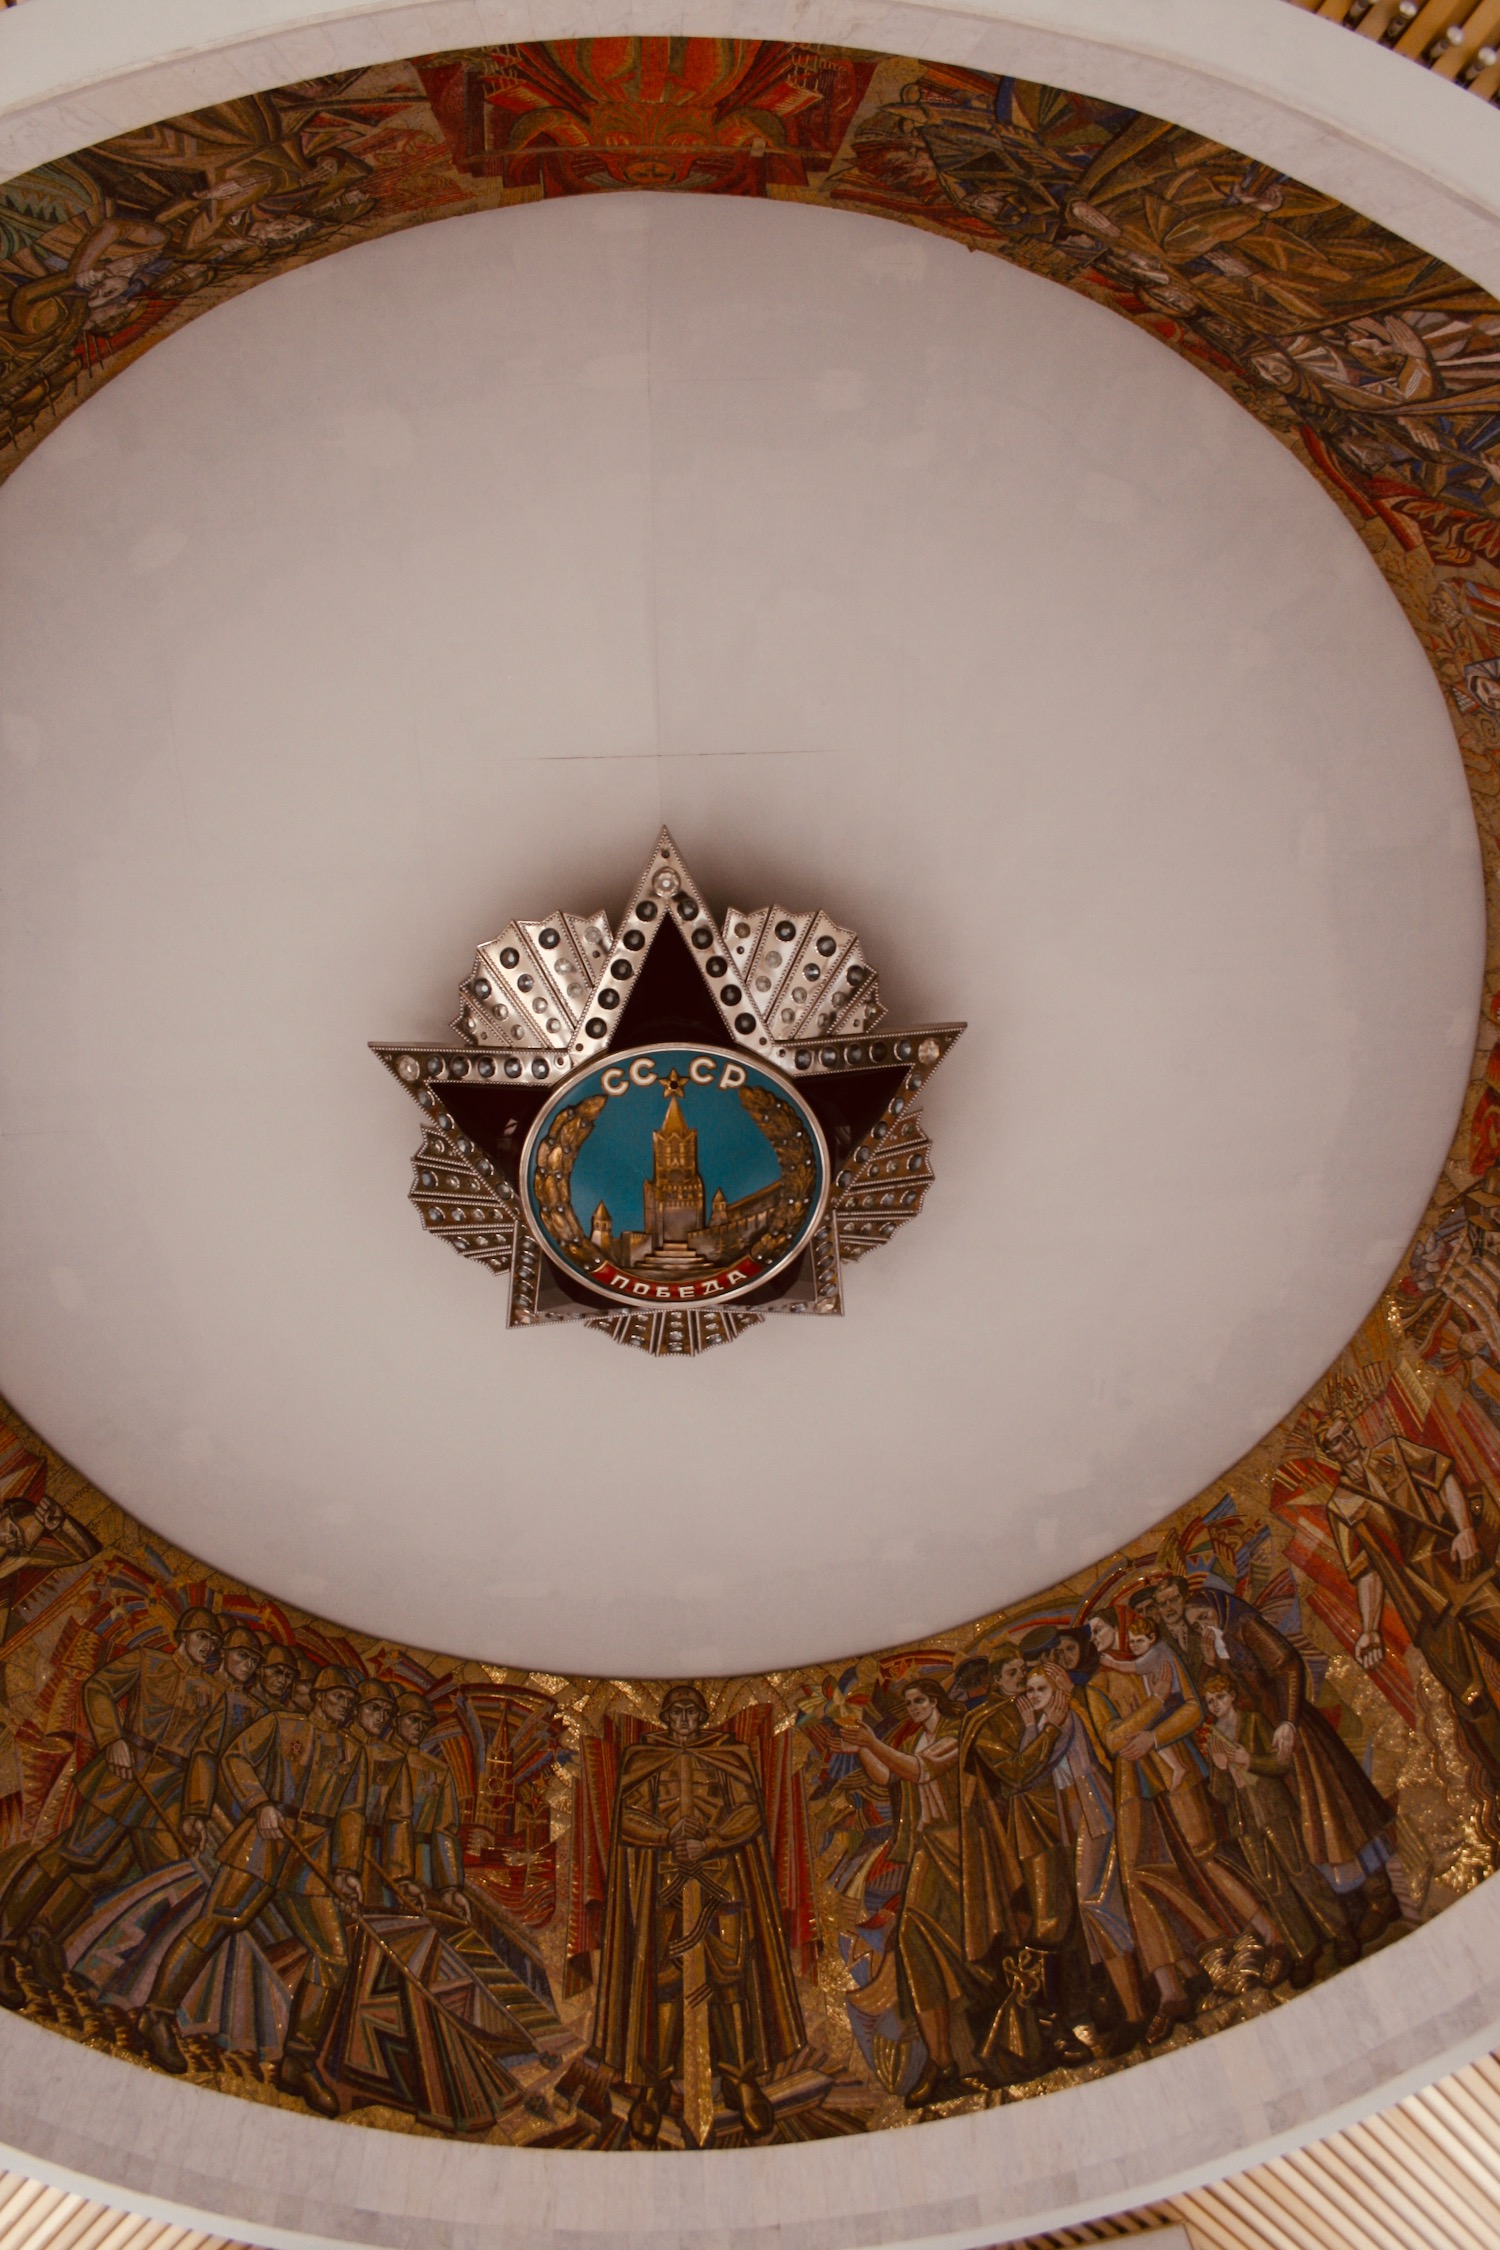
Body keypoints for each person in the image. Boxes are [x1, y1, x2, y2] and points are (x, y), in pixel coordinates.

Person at [135, 1664, 367, 2114]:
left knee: (335, 1954)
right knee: (218, 1921)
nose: (345, 1708)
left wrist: (347, 1868)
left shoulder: (352, 1751)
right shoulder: (281, 1724)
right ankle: (156, 2014)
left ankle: (298, 2062)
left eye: (350, 1703)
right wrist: (259, 1803)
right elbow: (235, 1757)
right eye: (338, 1698)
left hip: (312, 1855)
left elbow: (352, 1810)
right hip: (264, 1840)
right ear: (318, 1696)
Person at [590, 1684, 804, 2146]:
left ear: (704, 1715)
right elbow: (626, 1818)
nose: (685, 1718)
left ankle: (741, 2079)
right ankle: (655, 2084)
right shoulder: (644, 1759)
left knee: (730, 1977)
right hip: (664, 1883)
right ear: (665, 1717)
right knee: (664, 1983)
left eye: (692, 1711)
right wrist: (667, 1834)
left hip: (720, 1880)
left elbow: (749, 1812)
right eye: (676, 1711)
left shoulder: (726, 1754)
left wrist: (711, 1841)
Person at [1084, 1607, 1292, 2040]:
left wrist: (1154, 1737)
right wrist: (1156, 1706)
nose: (1094, 1637)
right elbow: (1112, 1739)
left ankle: (1272, 1935)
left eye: (1099, 1628)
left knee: (1206, 1852)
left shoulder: (1161, 1659)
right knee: (1136, 1877)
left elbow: (1196, 1709)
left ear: (1122, 1626)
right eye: (1090, 1632)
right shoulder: (1097, 1684)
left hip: (1178, 1766)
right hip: (1132, 1786)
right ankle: (1170, 1990)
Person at [0, 1607, 227, 2004]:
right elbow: (97, 1689)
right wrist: (112, 1739)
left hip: (166, 1792)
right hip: (124, 1776)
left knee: (122, 1872)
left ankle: (43, 1936)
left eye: (213, 1642)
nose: (207, 1646)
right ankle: (4, 1942)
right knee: (71, 1854)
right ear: (183, 1635)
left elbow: (205, 1755)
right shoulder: (147, 1661)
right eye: (201, 1637)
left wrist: (195, 1811)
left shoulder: (213, 1694)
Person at [1182, 1585, 1397, 1941]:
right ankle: (1352, 1907)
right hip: (1261, 1737)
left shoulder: (1247, 1627)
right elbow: (1220, 1694)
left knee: (1335, 1810)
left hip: (1289, 1728)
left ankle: (1380, 1895)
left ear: (1218, 1609)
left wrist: (1287, 1720)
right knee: (1307, 1823)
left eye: (1204, 1617)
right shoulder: (1216, 1646)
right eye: (1195, 1625)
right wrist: (1209, 1663)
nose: (1202, 1628)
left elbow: (1288, 1665)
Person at [1315, 1414, 1500, 1792]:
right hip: (1422, 1605)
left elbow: (1443, 1475)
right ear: (1328, 1452)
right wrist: (1369, 1629)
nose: (1346, 1442)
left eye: (1347, 1432)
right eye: (1335, 1441)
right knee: (1471, 1697)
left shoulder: (1392, 1452)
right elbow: (1364, 1570)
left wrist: (1464, 1528)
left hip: (1453, 1567)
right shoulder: (1342, 1505)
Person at [843, 1676, 973, 2106]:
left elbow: (920, 1771)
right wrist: (861, 1745)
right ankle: (941, 2059)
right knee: (914, 1943)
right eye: (910, 1702)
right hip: (926, 1850)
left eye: (920, 1699)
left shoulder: (956, 1734)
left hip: (963, 1847)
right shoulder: (915, 1741)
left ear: (935, 1699)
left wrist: (873, 1743)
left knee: (967, 1941)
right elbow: (887, 1776)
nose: (914, 1707)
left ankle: (972, 2047)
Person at [1022, 1661, 1146, 2041]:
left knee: (1098, 1904)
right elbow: (1030, 1771)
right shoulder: (1050, 1724)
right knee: (1093, 1908)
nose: (1034, 1697)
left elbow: (1033, 1763)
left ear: (1059, 1689)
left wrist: (1035, 1726)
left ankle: (1136, 2009)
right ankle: (1130, 2005)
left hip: (1091, 1805)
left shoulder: (1066, 1721)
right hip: (1073, 1809)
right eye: (1030, 1691)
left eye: (1041, 1689)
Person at [1201, 1672, 1355, 1977]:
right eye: (1210, 1701)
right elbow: (1220, 1795)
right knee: (1273, 1886)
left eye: (1220, 1697)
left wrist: (1250, 1760)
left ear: (1231, 1696)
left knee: (1300, 1871)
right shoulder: (1214, 1741)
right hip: (1245, 1820)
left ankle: (1341, 1932)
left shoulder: (1254, 1721)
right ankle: (1303, 1948)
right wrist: (1219, 1770)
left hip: (1273, 1809)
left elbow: (1280, 1762)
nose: (1216, 1705)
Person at [392, 1692, 467, 1919]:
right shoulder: (377, 1757)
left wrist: (450, 1886)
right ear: (396, 1719)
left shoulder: (437, 1771)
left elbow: (444, 1830)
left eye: (425, 1723)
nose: (419, 1728)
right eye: (413, 1720)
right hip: (381, 1855)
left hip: (423, 1862)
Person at [351, 1678, 414, 1908]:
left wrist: (402, 1876)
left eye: (386, 1712)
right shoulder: (335, 1743)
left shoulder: (393, 1758)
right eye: (374, 1708)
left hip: (372, 1850)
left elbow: (398, 1819)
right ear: (356, 1707)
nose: (381, 1718)